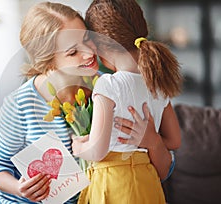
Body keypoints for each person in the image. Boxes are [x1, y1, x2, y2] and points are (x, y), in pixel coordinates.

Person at [0, 2, 100, 203]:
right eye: (73, 52)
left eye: (87, 39)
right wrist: (19, 188)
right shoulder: (20, 104)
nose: (89, 53)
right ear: (47, 61)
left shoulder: (107, 87)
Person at [72, 0, 182, 203]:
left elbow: (97, 151)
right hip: (148, 183)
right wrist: (148, 139)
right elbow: (175, 141)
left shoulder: (108, 84)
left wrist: (78, 148)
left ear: (101, 44)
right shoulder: (158, 83)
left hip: (115, 185)